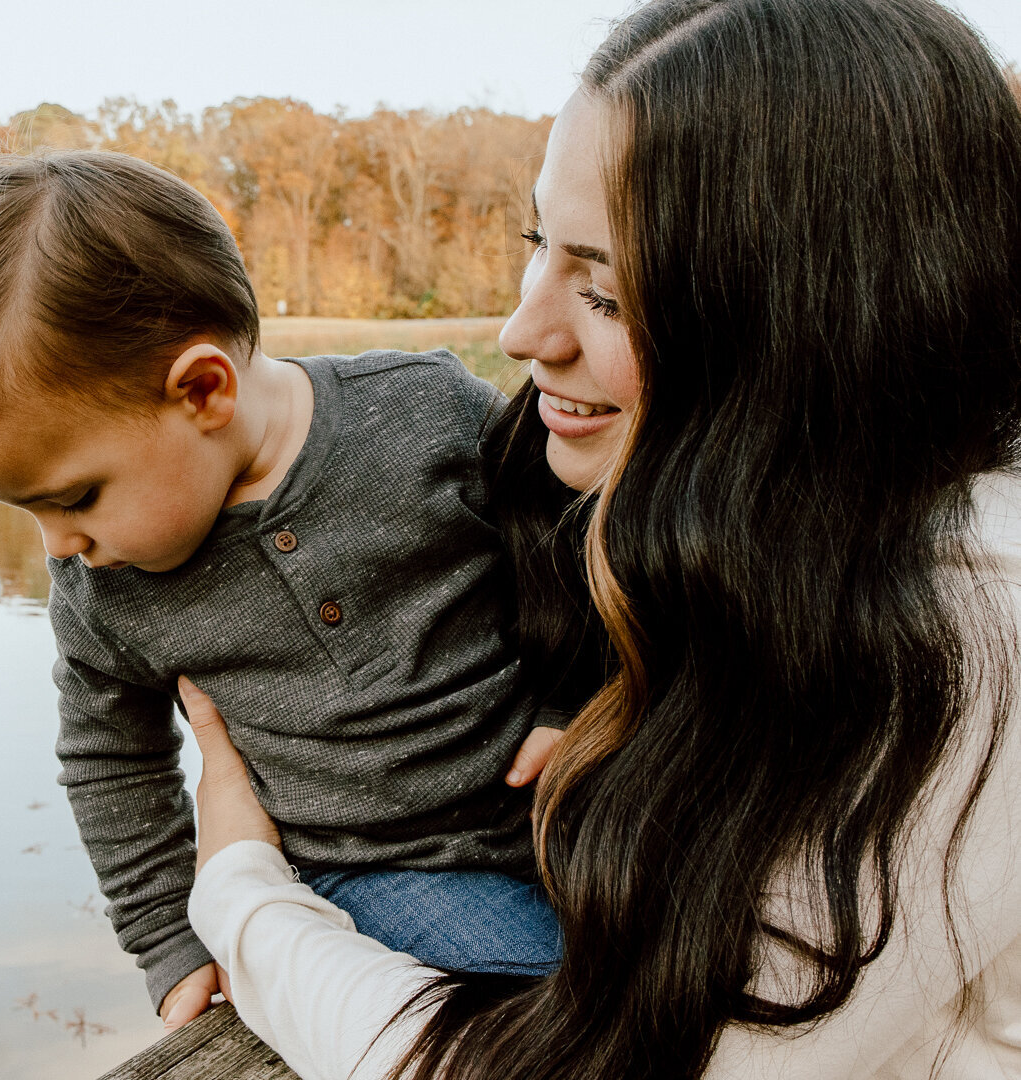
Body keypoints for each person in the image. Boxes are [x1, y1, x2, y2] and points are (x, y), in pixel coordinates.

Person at [181, 0, 1021, 1077]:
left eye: (610, 294)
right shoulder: (820, 557)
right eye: (540, 244)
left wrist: (245, 892)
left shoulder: (969, 637)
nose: (522, 331)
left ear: (816, 325)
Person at [0, 151, 571, 1030]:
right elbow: (111, 759)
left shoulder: (424, 413)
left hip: (574, 797)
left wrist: (577, 696)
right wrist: (167, 935)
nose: (60, 544)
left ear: (203, 390)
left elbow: (573, 546)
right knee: (570, 993)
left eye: (73, 498)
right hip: (377, 872)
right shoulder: (106, 592)